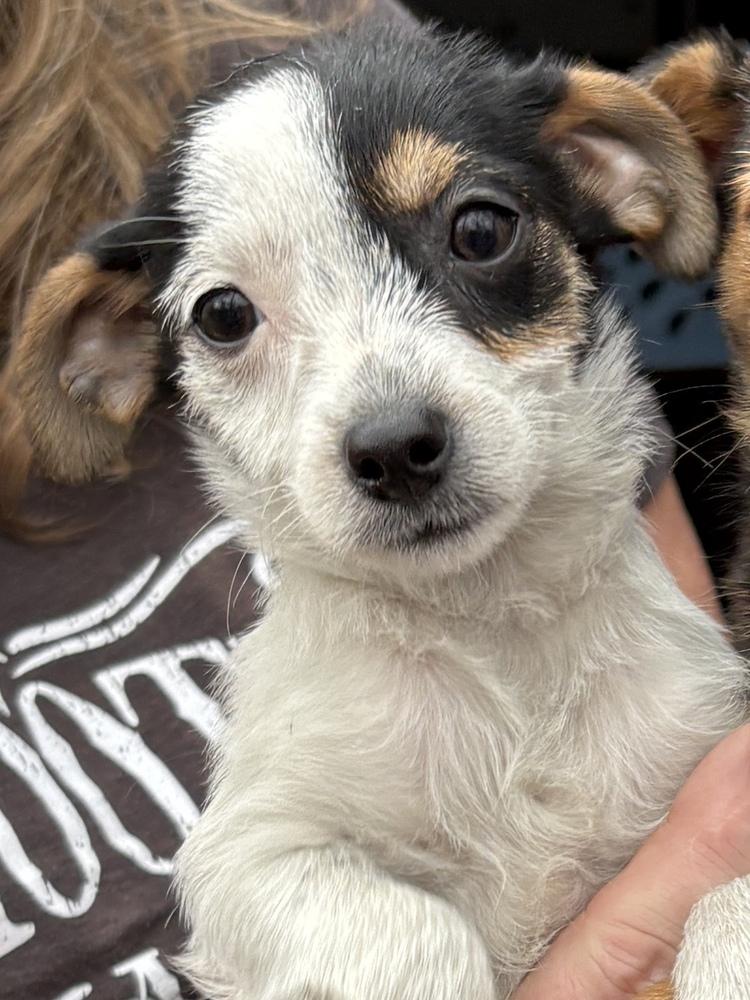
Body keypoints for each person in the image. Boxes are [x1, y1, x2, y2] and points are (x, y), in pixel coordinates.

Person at [0, 1, 741, 997]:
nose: (387, 427)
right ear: (123, 345)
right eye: (229, 317)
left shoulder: (676, 678)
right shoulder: (321, 715)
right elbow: (251, 882)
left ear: (599, 162)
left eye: (476, 232)